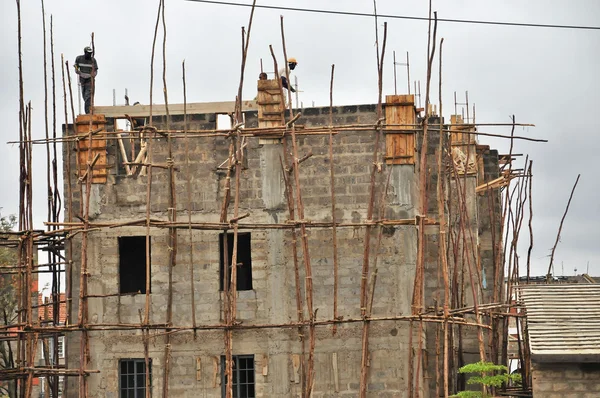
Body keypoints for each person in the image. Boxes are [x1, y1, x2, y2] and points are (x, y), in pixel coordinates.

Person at [74, 46, 98, 114]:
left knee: (88, 96)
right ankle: (88, 110)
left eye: (90, 53)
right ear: (85, 52)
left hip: (90, 81)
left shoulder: (93, 60)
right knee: (84, 96)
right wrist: (78, 71)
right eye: (88, 53)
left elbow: (95, 70)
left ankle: (88, 112)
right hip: (82, 80)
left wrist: (92, 75)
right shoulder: (79, 58)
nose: (89, 54)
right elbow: (76, 67)